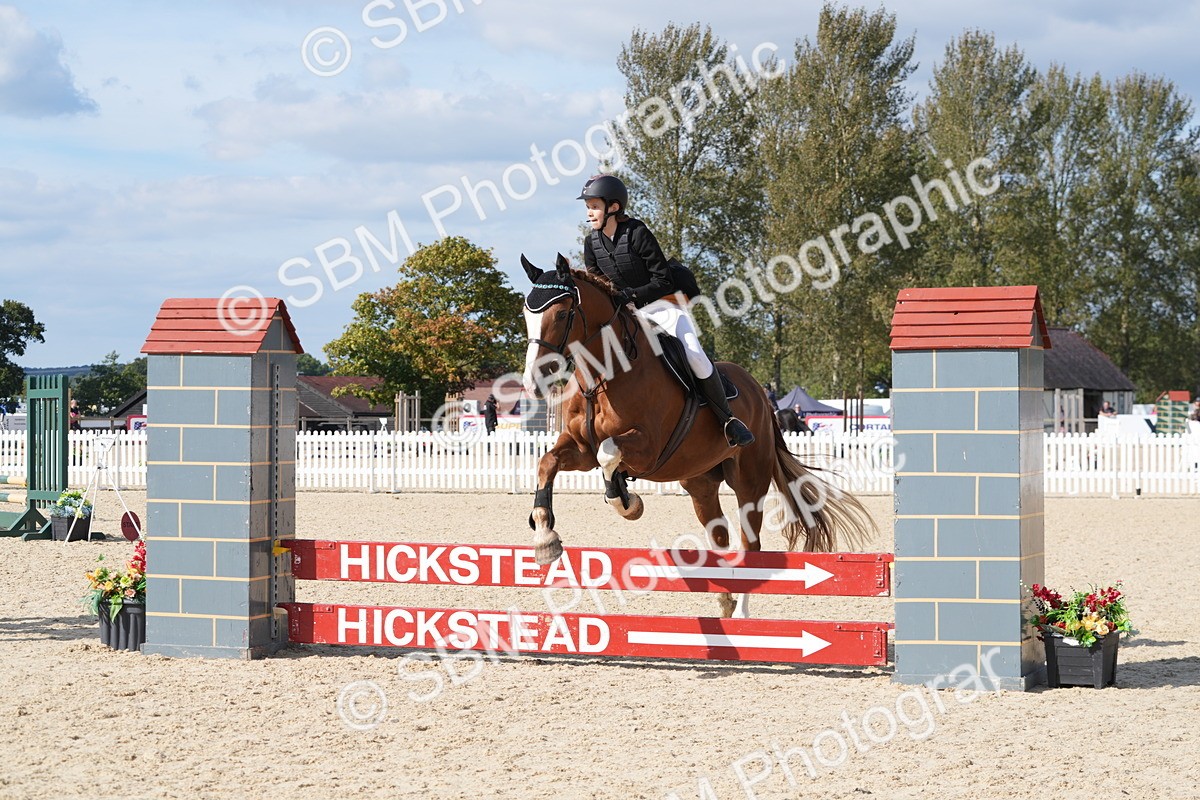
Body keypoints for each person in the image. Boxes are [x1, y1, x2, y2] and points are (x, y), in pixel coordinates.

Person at [577, 174, 754, 447]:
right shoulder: (592, 243)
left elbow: (663, 280)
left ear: (613, 207)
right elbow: (599, 284)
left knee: (694, 354)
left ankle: (728, 420)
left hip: (662, 306)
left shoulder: (637, 233)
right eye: (588, 206)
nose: (589, 212)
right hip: (628, 315)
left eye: (594, 206)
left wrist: (631, 295)